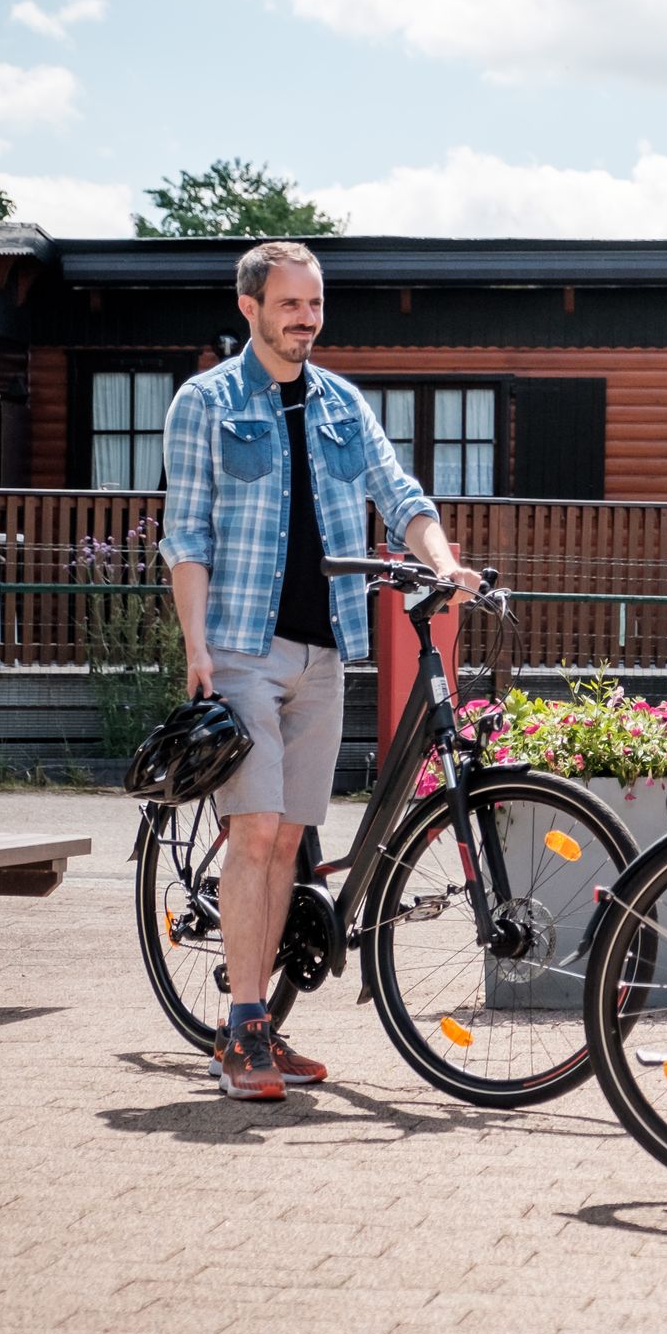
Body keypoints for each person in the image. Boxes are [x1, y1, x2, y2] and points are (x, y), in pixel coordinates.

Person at [160, 240, 478, 1101]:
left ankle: (260, 1021)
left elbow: (401, 493)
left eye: (315, 304)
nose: (306, 318)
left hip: (326, 649)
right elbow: (186, 535)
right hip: (239, 645)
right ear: (251, 308)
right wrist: (195, 647)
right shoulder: (207, 403)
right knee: (257, 831)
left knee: (293, 838)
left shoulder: (342, 402)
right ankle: (244, 1026)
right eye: (290, 303)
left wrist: (443, 560)